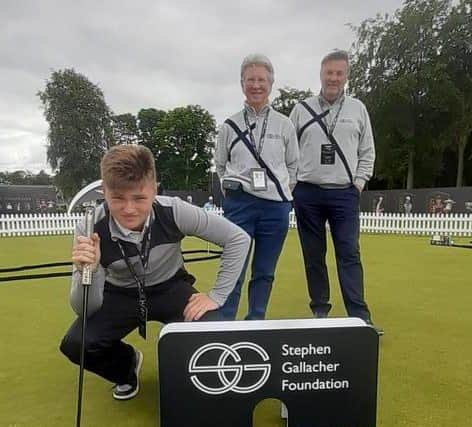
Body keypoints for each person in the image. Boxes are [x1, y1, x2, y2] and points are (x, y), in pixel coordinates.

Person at [60, 145, 250, 400]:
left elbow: (237, 239)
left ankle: (191, 377)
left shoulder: (174, 211)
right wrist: (91, 272)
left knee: (212, 330)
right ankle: (126, 367)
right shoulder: (89, 227)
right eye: (117, 198)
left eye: (139, 198)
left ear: (154, 190)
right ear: (103, 192)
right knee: (77, 344)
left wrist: (216, 295)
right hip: (119, 292)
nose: (129, 209)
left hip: (170, 286)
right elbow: (84, 309)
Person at [289, 50, 382, 334]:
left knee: (349, 254)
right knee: (313, 255)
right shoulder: (301, 109)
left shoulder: (358, 109)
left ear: (346, 76)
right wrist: (293, 185)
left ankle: (359, 317)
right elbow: (288, 150)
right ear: (321, 74)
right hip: (308, 193)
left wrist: (359, 182)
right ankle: (320, 311)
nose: (334, 78)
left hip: (344, 192)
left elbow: (367, 151)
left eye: (339, 73)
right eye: (329, 73)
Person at [215, 53, 299, 320]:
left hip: (275, 207)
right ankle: (225, 323)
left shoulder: (285, 125)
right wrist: (232, 194)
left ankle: (256, 320)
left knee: (264, 271)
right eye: (250, 79)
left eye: (261, 79)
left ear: (270, 84)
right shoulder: (229, 125)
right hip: (239, 203)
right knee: (234, 268)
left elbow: (294, 166)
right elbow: (220, 164)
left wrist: (281, 194)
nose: (256, 85)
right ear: (242, 84)